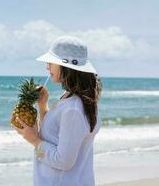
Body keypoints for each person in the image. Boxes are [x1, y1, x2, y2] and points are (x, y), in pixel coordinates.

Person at [12, 35, 103, 186]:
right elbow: (55, 136)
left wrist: (33, 139)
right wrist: (42, 107)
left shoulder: (73, 109)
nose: (47, 67)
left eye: (51, 62)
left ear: (66, 66)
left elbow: (64, 161)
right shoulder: (71, 98)